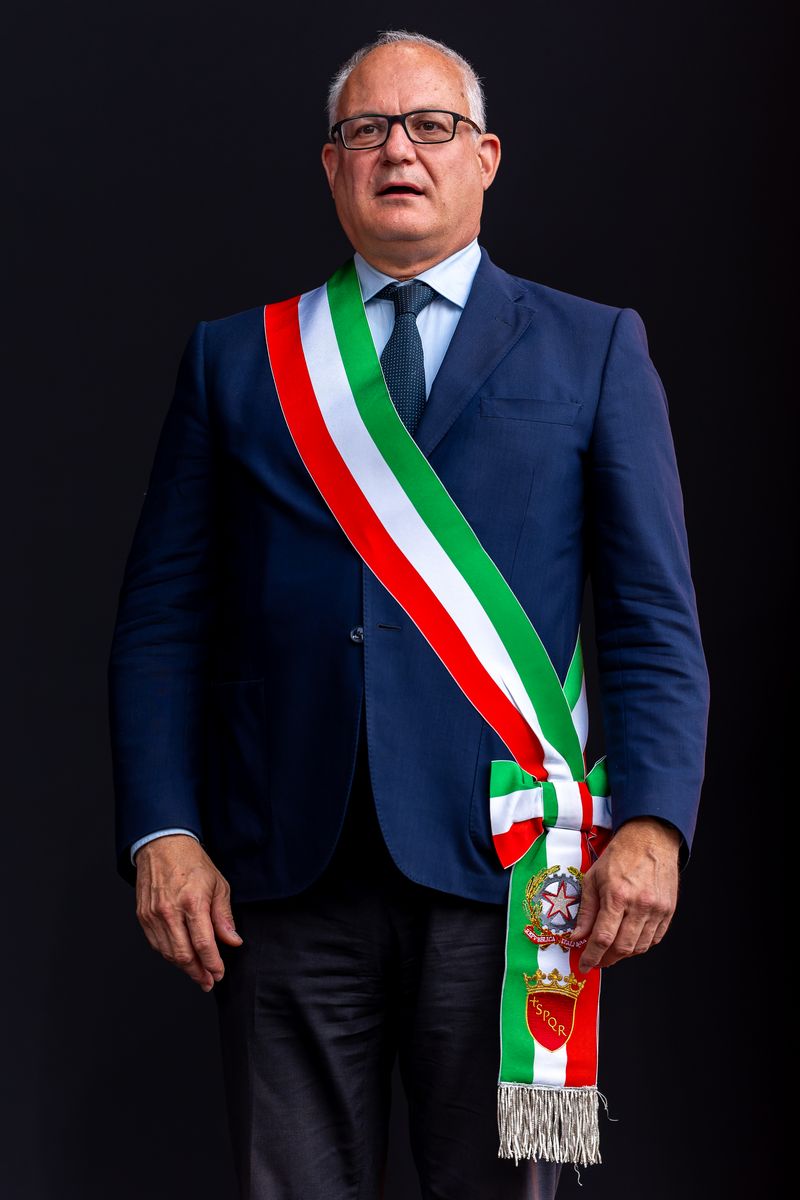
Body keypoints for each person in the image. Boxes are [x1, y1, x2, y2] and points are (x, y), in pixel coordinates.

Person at [108, 29, 709, 1200]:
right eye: (366, 130)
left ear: (484, 158)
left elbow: (651, 618)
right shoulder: (238, 360)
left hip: (515, 873)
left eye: (429, 126)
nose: (399, 152)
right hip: (280, 872)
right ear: (329, 167)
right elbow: (160, 623)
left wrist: (653, 823)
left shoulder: (592, 347)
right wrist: (159, 830)